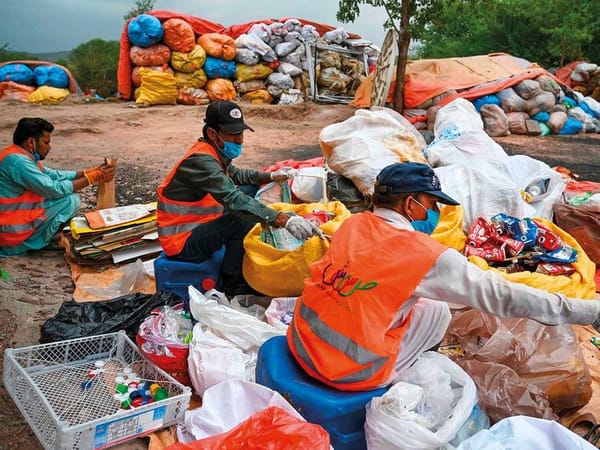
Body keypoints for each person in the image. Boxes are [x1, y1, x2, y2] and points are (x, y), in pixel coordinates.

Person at [287, 161, 600, 391]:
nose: (436, 212)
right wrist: (587, 311)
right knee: (436, 311)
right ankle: (398, 381)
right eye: (432, 204)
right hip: (345, 371)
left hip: (300, 343)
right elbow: (504, 296)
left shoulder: (352, 224)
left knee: (416, 302)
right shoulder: (423, 254)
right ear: (411, 204)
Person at [157, 100, 323, 296]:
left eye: (241, 133)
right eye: (234, 134)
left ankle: (235, 260)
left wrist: (271, 176)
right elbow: (234, 200)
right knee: (240, 216)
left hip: (201, 226)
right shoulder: (200, 161)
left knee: (249, 190)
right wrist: (283, 220)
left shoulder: (213, 153)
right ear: (212, 134)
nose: (240, 140)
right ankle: (233, 282)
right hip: (182, 242)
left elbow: (238, 175)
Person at [0, 117, 115, 257]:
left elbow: (54, 175)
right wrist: (92, 178)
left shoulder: (19, 156)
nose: (49, 147)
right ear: (31, 142)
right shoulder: (18, 162)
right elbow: (54, 189)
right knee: (70, 201)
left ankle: (43, 237)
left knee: (68, 198)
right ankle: (37, 241)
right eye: (46, 142)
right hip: (11, 236)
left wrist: (89, 172)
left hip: (12, 224)